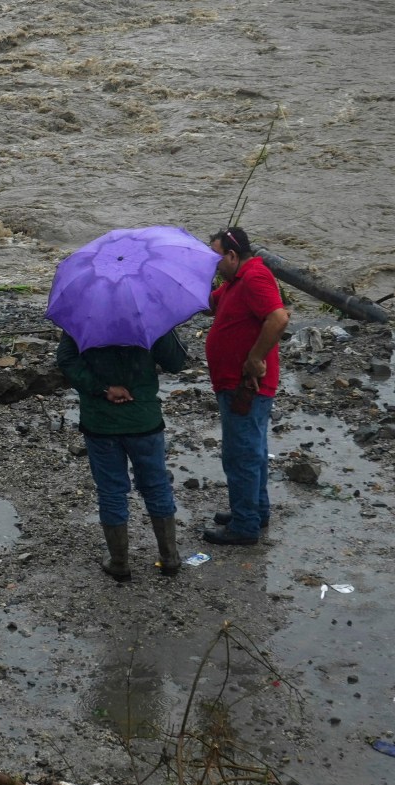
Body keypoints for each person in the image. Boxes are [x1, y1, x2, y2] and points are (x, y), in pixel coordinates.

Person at [56, 326, 187, 581]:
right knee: (157, 485)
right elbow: (175, 362)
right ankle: (169, 558)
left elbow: (66, 360)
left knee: (111, 490)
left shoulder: (84, 317)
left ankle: (119, 562)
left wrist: (104, 388)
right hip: (144, 420)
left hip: (100, 423)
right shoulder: (149, 316)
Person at [202, 226, 290, 546]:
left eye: (215, 259)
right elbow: (206, 304)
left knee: (240, 455)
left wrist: (255, 358)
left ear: (232, 255)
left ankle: (245, 525)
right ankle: (255, 512)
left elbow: (278, 318)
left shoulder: (254, 277)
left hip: (246, 384)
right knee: (252, 451)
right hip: (235, 384)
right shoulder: (233, 282)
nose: (214, 265)